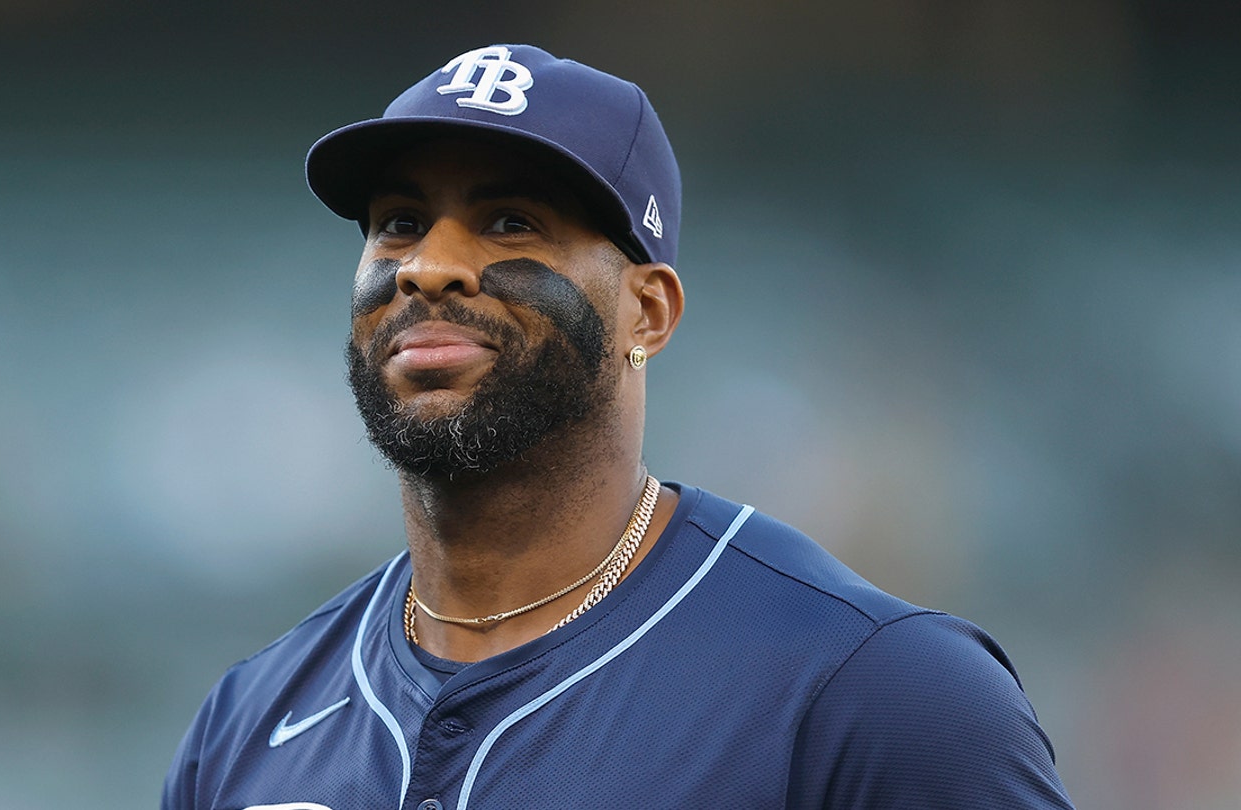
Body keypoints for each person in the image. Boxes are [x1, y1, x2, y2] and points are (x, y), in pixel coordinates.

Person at [162, 44, 1073, 810]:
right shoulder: (250, 720)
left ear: (649, 312)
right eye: (399, 224)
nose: (428, 267)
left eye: (510, 221)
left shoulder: (875, 691)